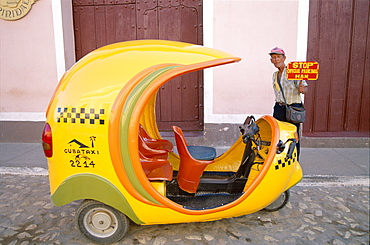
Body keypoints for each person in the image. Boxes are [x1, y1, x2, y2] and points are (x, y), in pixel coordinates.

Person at [269, 47, 308, 159]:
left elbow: (305, 88)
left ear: (284, 58)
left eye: (278, 57)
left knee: (294, 135)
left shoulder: (293, 71)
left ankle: (295, 160)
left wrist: (302, 89)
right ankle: (282, 159)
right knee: (279, 134)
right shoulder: (275, 75)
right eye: (273, 58)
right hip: (279, 107)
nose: (276, 60)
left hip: (293, 108)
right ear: (271, 60)